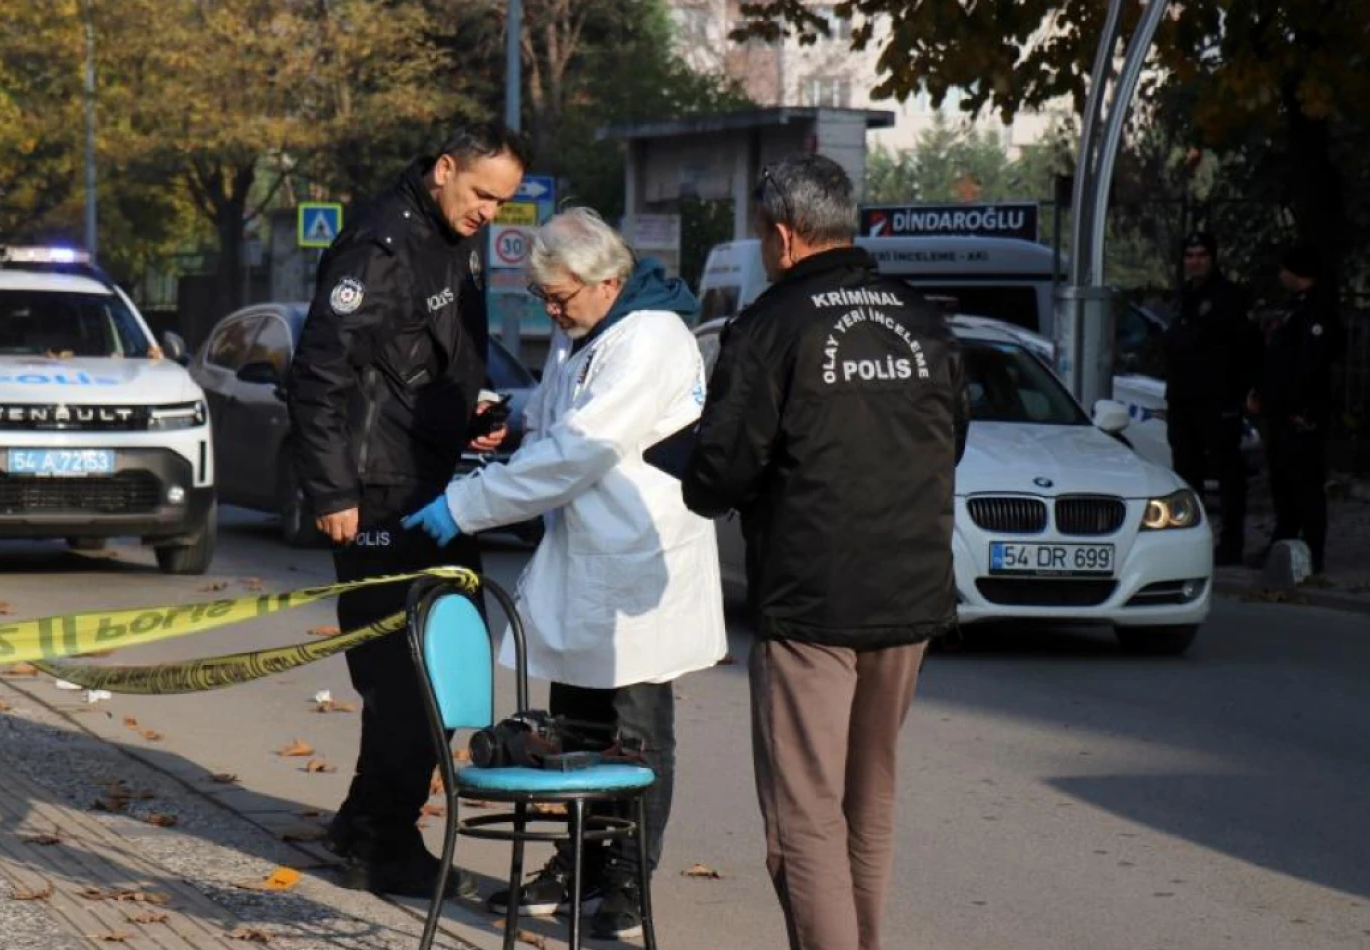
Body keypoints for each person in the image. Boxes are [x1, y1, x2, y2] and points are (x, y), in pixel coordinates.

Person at [402, 208, 727, 940]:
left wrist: (468, 503)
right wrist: (514, 418)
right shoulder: (588, 328)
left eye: (561, 298)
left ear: (608, 280)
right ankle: (578, 862)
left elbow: (582, 447)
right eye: (544, 299)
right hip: (586, 565)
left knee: (636, 737)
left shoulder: (650, 338)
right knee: (577, 728)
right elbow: (559, 414)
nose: (552, 311)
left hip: (639, 567)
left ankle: (626, 884)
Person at [680, 155, 969, 950]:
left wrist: (699, 470)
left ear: (782, 235)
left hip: (811, 601)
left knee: (803, 819)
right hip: (910, 594)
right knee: (868, 802)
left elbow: (720, 473)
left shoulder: (772, 323)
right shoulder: (924, 319)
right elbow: (952, 441)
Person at [285, 122, 530, 900]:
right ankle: (383, 845)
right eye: (482, 193)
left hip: (427, 479)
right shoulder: (379, 246)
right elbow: (319, 375)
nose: (490, 212)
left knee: (434, 666)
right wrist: (333, 493)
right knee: (411, 677)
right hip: (379, 490)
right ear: (444, 170)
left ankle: (365, 818)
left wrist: (472, 411)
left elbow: (424, 359)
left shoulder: (443, 235)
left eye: (503, 201)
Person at [1162, 230, 1261, 565]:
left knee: (1227, 473)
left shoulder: (1228, 297)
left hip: (1217, 400)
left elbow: (1246, 348)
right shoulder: (1182, 296)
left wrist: (1242, 392)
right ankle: (1190, 541)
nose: (1195, 261)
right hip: (1183, 400)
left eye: (1201, 255)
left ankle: (1231, 544)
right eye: (1189, 256)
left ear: (1213, 258)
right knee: (1185, 474)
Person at [1248, 244, 1342, 574]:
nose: (1280, 275)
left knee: (1304, 484)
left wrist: (1296, 405)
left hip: (1300, 414)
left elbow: (1309, 365)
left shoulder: (1317, 310)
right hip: (1282, 411)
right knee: (1284, 482)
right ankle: (1282, 545)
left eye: (1284, 269)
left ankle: (1312, 552)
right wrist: (1264, 393)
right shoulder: (1296, 308)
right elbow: (1280, 359)